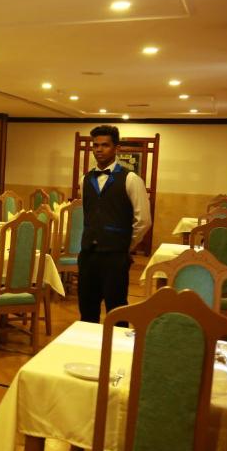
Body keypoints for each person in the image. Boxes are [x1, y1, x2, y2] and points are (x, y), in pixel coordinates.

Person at [78, 124, 152, 322]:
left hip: (115, 256)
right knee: (87, 309)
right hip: (88, 254)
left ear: (116, 148)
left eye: (105, 145)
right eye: (96, 145)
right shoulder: (85, 179)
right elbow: (88, 213)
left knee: (117, 309)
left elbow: (144, 221)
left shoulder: (131, 179)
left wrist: (125, 244)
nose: (99, 150)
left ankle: (116, 343)